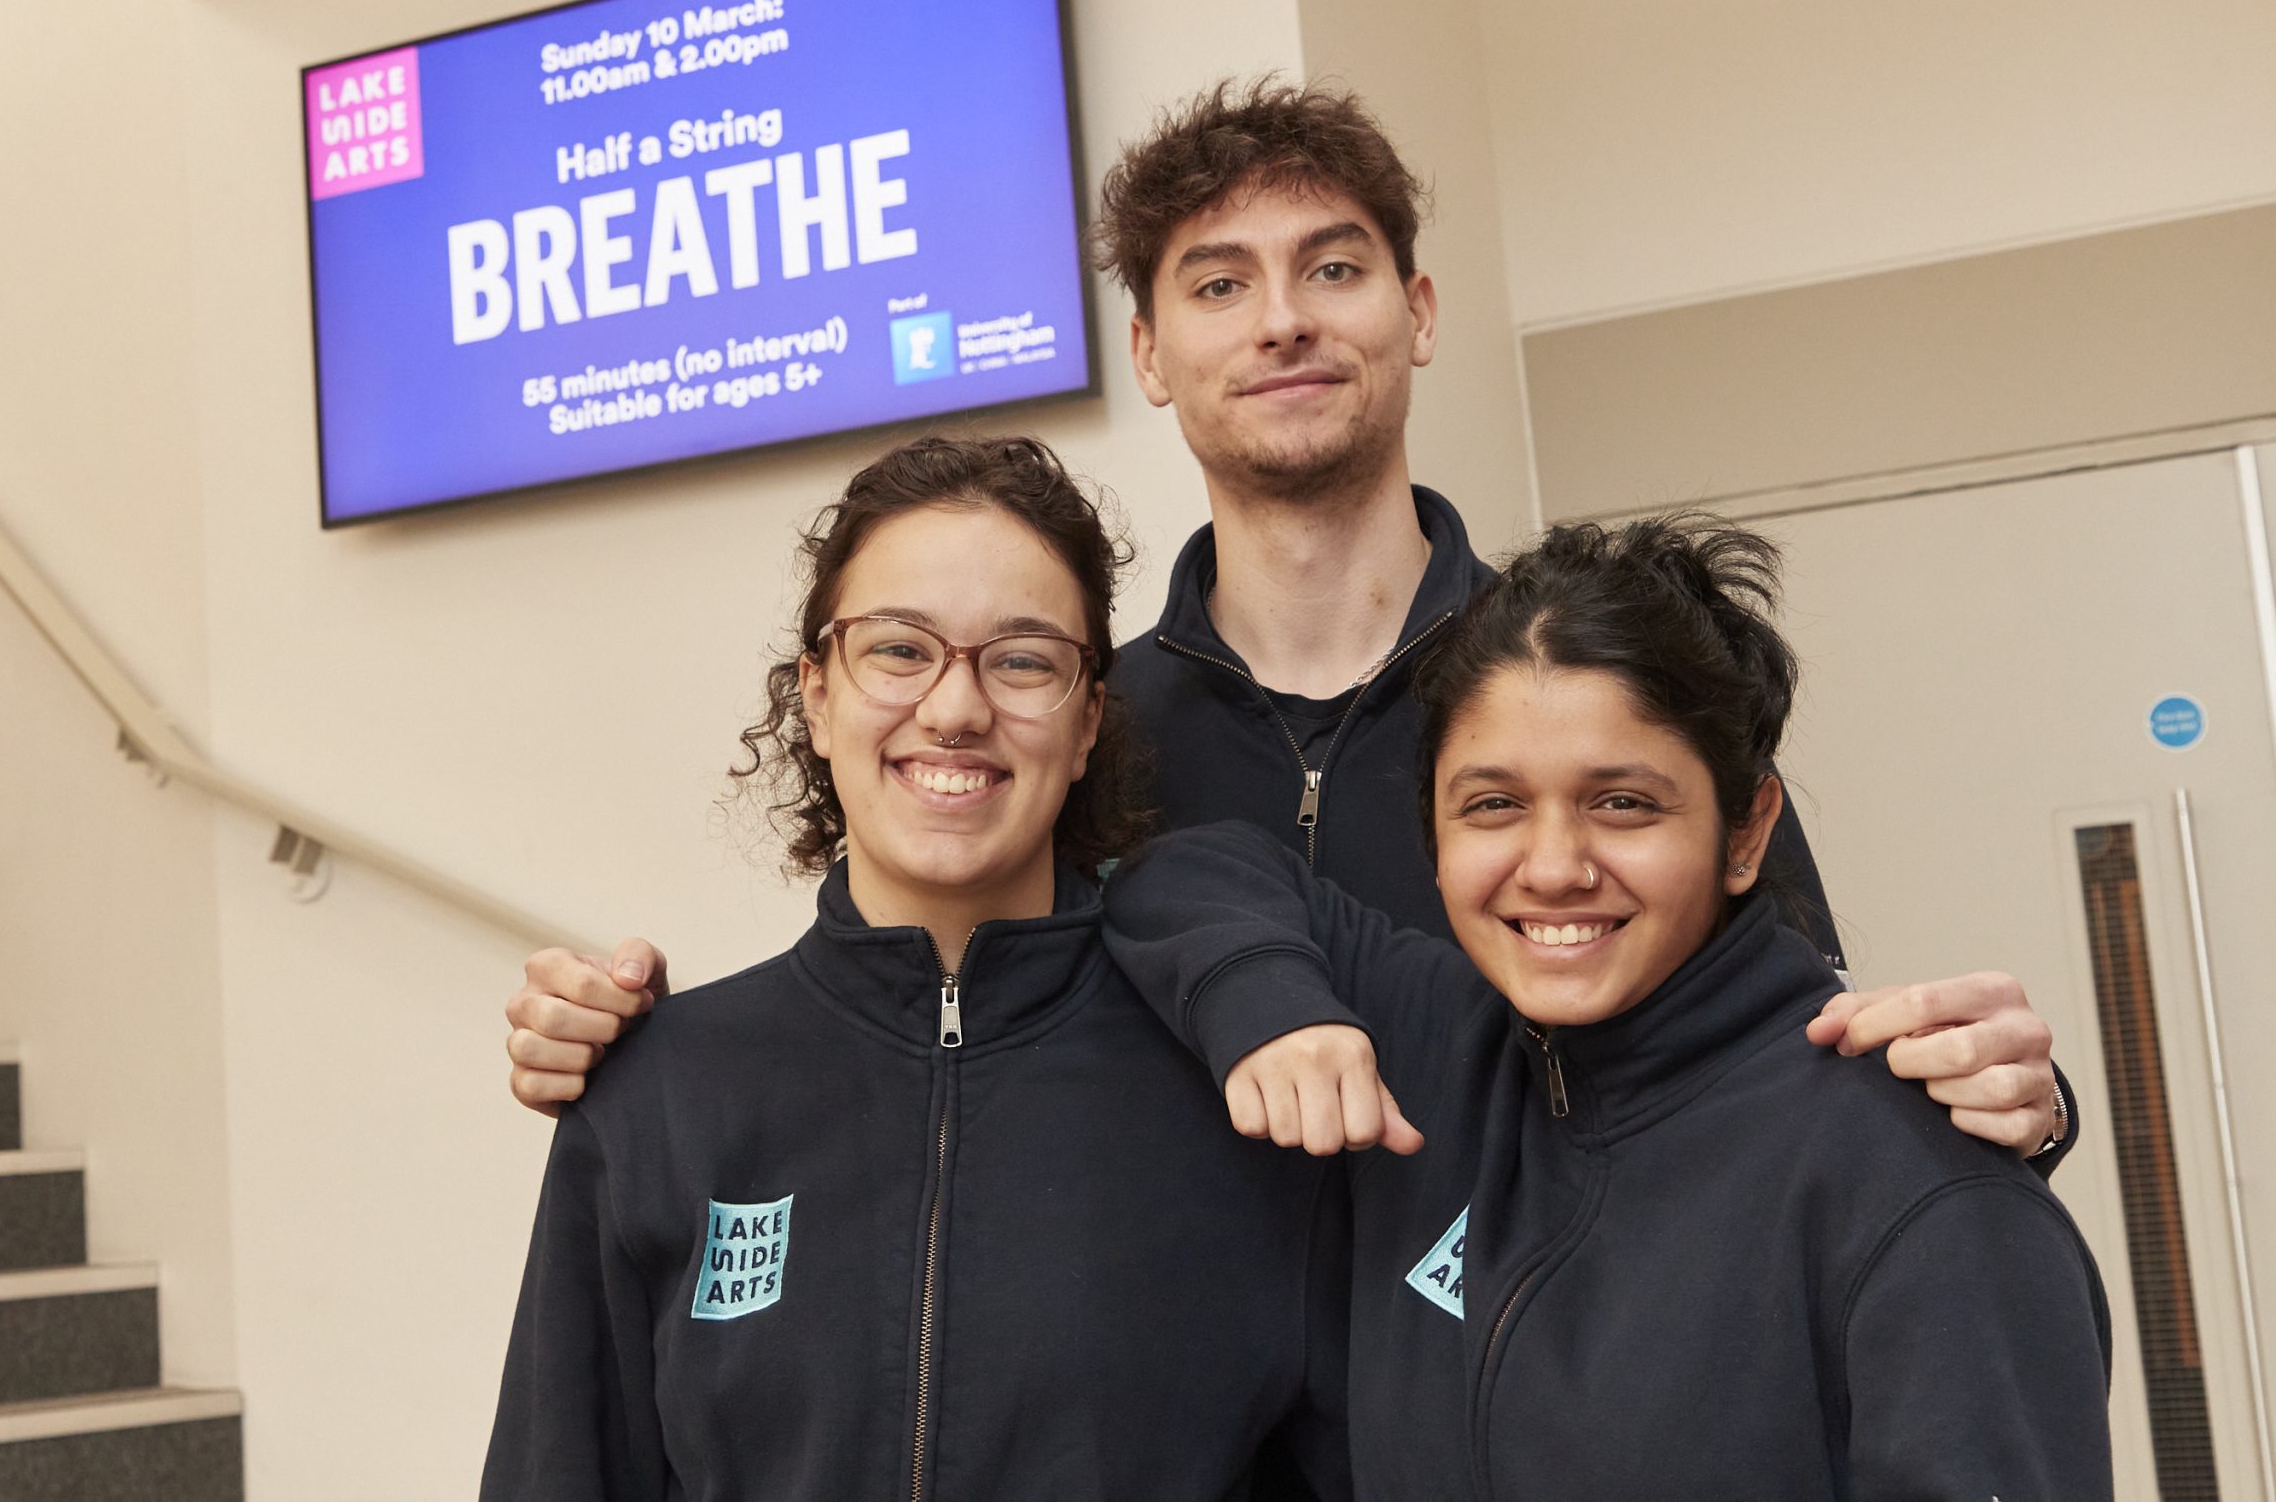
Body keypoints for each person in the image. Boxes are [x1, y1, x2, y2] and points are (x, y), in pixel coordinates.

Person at [504, 77, 2072, 1161]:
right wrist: (632, 1044)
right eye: (1218, 284)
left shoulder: (1594, 686)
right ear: (1152, 351)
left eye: (1332, 267)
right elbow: (925, 1023)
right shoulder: (1072, 725)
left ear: (1418, 311)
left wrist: (2006, 1101)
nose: (1283, 321)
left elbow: (1798, 1048)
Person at [1101, 516, 2111, 1497]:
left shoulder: (1910, 1181)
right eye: (1493, 805)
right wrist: (1270, 1003)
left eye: (1622, 803)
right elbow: (1180, 873)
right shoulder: (1437, 1046)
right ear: (1434, 834)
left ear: (1745, 830)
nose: (1552, 867)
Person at [480, 436, 1352, 1501]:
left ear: (1086, 721)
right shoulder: (659, 1096)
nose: (954, 709)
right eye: (899, 649)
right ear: (816, 694)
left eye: (1022, 659)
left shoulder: (1241, 1088)